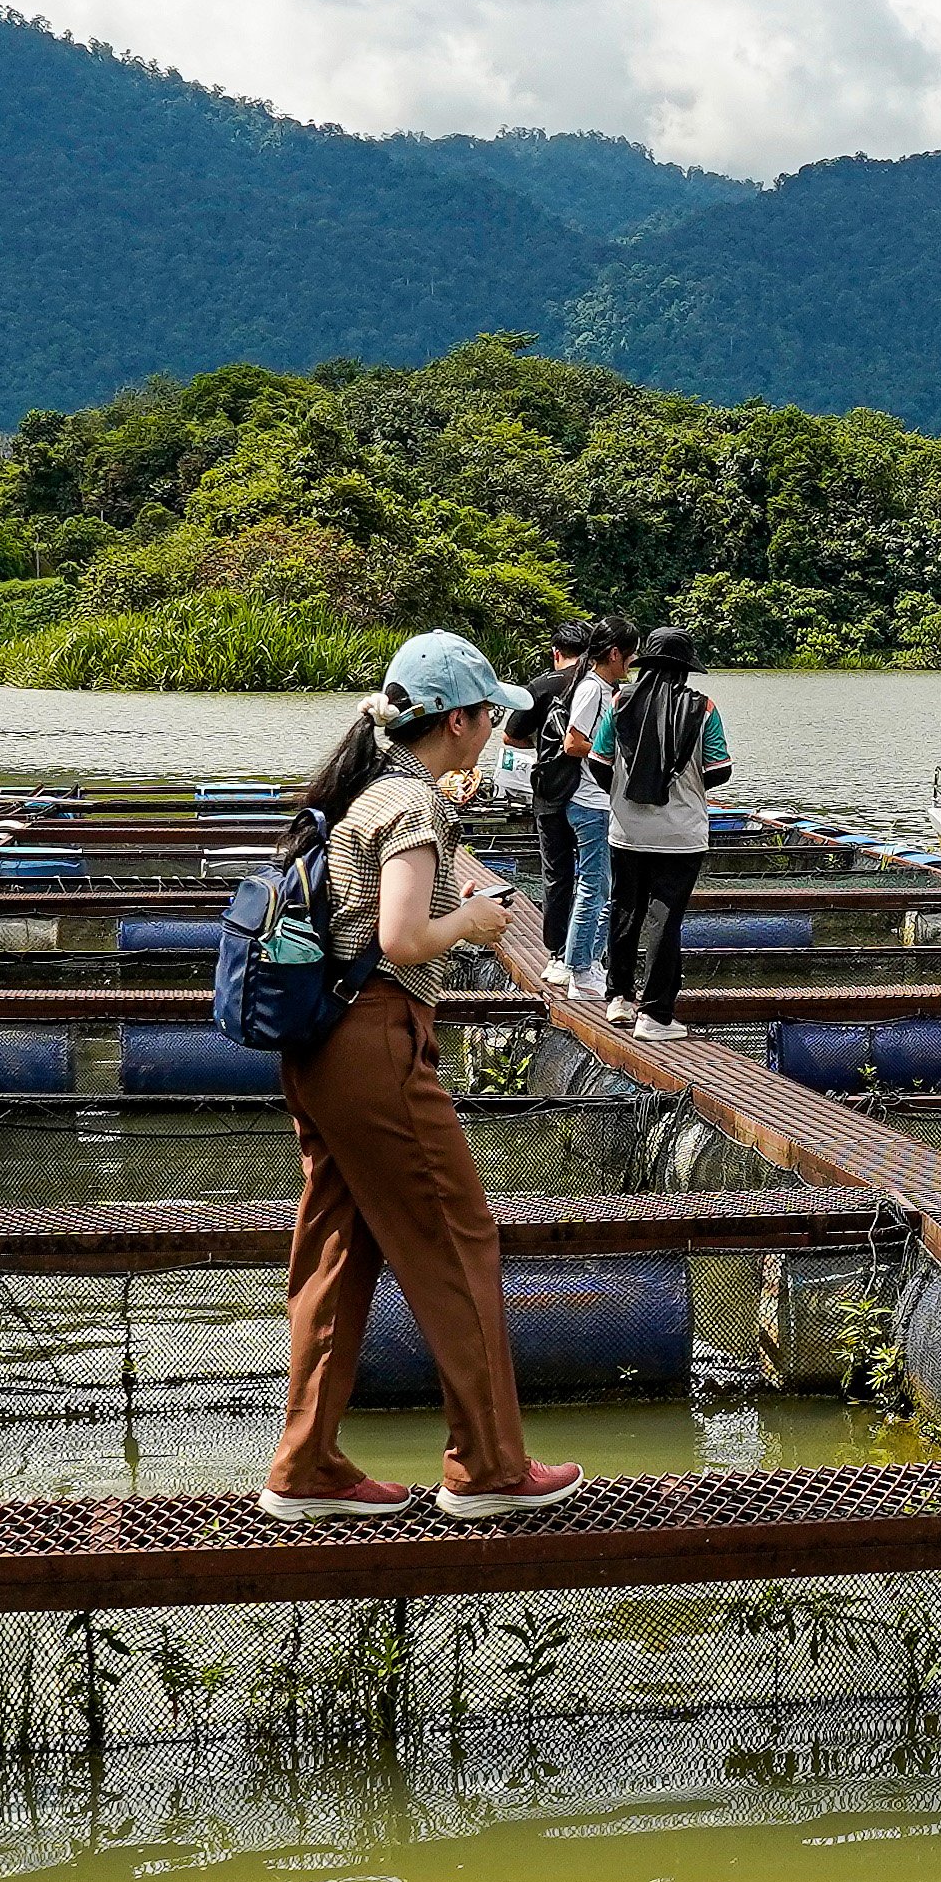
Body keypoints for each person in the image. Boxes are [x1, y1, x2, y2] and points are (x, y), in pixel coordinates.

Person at [258, 633, 584, 1525]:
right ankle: (487, 1467)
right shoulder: (409, 803)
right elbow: (402, 940)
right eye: (489, 716)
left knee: (339, 1249)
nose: (495, 730)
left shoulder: (365, 790)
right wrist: (475, 919)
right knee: (457, 1237)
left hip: (322, 1049)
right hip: (377, 1040)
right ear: (456, 721)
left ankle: (307, 1466)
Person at [596, 623, 731, 1020]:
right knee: (665, 919)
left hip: (627, 831)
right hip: (681, 833)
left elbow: (598, 761)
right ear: (685, 669)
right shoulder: (702, 708)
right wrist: (681, 785)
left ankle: (618, 997)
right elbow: (720, 769)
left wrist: (625, 793)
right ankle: (655, 1014)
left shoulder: (619, 702)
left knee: (624, 909)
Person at [518, 616, 617, 979]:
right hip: (591, 791)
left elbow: (512, 737)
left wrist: (545, 747)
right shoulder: (599, 687)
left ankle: (559, 955)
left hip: (553, 792)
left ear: (556, 651)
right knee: (595, 878)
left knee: (558, 872)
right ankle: (585, 958)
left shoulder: (544, 685)